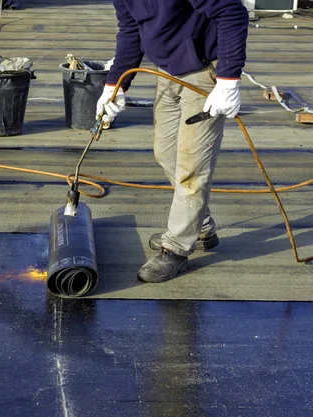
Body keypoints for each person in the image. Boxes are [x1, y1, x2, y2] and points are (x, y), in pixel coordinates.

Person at [96, 0, 249, 283]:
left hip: (206, 72)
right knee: (166, 153)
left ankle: (176, 248)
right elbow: (130, 30)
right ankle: (200, 227)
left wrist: (229, 79)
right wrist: (114, 85)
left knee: (192, 166)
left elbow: (231, 11)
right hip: (168, 71)